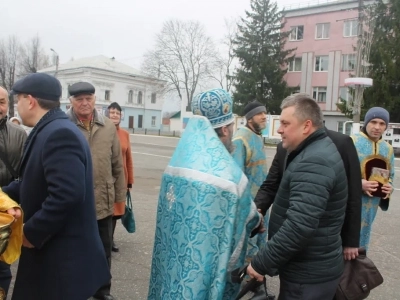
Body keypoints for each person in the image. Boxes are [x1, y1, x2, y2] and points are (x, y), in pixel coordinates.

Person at [2, 73, 111, 299]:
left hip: (62, 259)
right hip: (52, 255)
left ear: (30, 101)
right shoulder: (49, 128)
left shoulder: (59, 133)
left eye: (17, 100)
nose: (16, 106)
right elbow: (31, 181)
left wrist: (31, 233)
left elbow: (67, 194)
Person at [148, 88, 261, 300]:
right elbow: (247, 217)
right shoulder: (230, 176)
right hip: (203, 274)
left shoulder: (177, 164)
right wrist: (259, 220)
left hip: (172, 264)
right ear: (226, 130)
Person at [247, 93, 348, 299]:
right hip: (309, 268)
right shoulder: (313, 149)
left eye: (285, 123)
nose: (279, 129)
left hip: (308, 276)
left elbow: (299, 226)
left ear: (306, 126)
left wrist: (260, 263)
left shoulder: (315, 160)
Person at [254, 111, 362, 261]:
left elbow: (353, 193)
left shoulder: (341, 143)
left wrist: (351, 240)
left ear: (307, 123)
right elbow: (270, 186)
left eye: (286, 123)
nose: (280, 129)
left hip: (325, 239)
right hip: (290, 235)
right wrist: (257, 211)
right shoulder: (283, 147)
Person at [67, 82, 125, 300]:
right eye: (79, 99)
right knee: (74, 251)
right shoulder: (64, 125)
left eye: (88, 98)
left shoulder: (108, 126)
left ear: (95, 99)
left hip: (103, 202)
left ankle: (102, 291)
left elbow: (117, 164)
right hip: (74, 203)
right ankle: (76, 289)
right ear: (71, 101)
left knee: (103, 251)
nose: (85, 103)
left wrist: (120, 200)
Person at [351, 107, 394, 251]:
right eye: (373, 122)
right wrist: (359, 184)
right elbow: (339, 172)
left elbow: (391, 175)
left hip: (372, 204)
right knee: (346, 240)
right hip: (350, 201)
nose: (377, 127)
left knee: (363, 240)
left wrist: (389, 187)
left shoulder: (387, 149)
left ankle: (358, 268)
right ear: (366, 122)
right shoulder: (351, 142)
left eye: (382, 124)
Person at [0, 87, 26, 299]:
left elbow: (26, 174)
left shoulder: (19, 134)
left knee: (2, 268)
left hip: (6, 212)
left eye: (1, 102)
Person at [107, 102, 134, 252]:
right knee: (104, 210)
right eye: (112, 113)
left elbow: (128, 158)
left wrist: (130, 180)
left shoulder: (124, 134)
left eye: (117, 113)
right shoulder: (101, 131)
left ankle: (110, 239)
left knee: (116, 212)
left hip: (121, 178)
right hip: (105, 177)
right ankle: (102, 239)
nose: (115, 115)